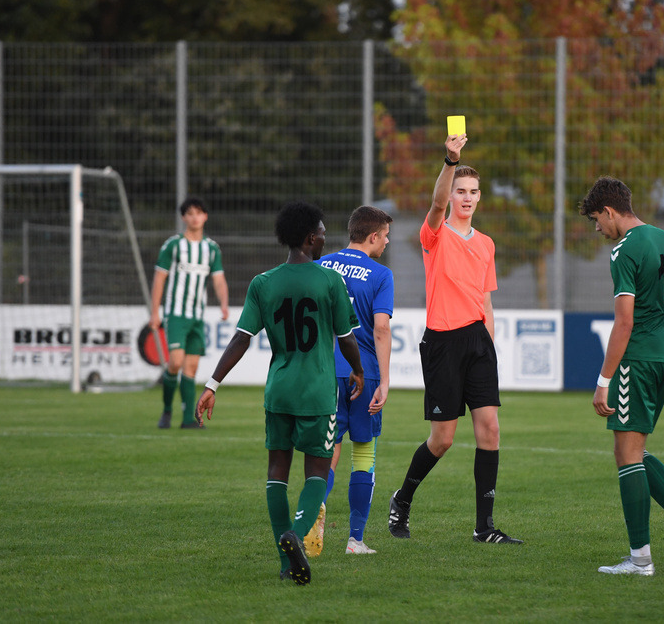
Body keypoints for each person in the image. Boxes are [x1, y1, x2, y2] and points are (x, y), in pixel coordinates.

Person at [195, 201, 365, 586]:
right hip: (318, 393)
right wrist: (357, 370)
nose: (324, 237)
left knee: (277, 472)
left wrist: (212, 384)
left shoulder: (263, 283)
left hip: (279, 392)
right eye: (321, 231)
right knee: (318, 470)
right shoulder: (329, 282)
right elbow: (346, 338)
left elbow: (241, 339)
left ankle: (286, 560)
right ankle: (298, 532)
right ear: (309, 238)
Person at [387, 132, 521, 545]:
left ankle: (484, 527)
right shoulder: (436, 234)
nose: (465, 197)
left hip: (479, 342)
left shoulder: (486, 244)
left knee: (490, 431)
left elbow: (485, 300)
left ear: (480, 197)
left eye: (472, 191)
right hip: (443, 343)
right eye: (460, 190)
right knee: (442, 439)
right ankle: (402, 499)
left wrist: (491, 345)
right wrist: (450, 160)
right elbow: (436, 204)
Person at [578, 176, 664, 576]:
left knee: (626, 456)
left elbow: (624, 322)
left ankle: (640, 560)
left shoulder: (624, 249)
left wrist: (603, 379)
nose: (597, 229)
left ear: (609, 211)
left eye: (596, 220)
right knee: (633, 451)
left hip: (637, 359)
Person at [305, 206, 395, 557]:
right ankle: (355, 540)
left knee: (327, 449)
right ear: (372, 236)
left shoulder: (321, 265)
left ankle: (313, 513)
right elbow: (382, 327)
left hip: (325, 371)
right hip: (364, 372)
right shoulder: (381, 274)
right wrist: (385, 381)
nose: (387, 241)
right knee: (364, 451)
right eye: (385, 235)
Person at [150, 196, 229, 429]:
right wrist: (155, 312)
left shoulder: (211, 249)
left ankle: (187, 420)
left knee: (191, 367)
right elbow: (159, 278)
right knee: (174, 362)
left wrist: (223, 303)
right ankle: (166, 411)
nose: (194, 217)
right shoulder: (173, 245)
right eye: (190, 213)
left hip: (197, 316)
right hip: (175, 314)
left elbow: (219, 280)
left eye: (199, 212)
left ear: (205, 216)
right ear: (184, 217)